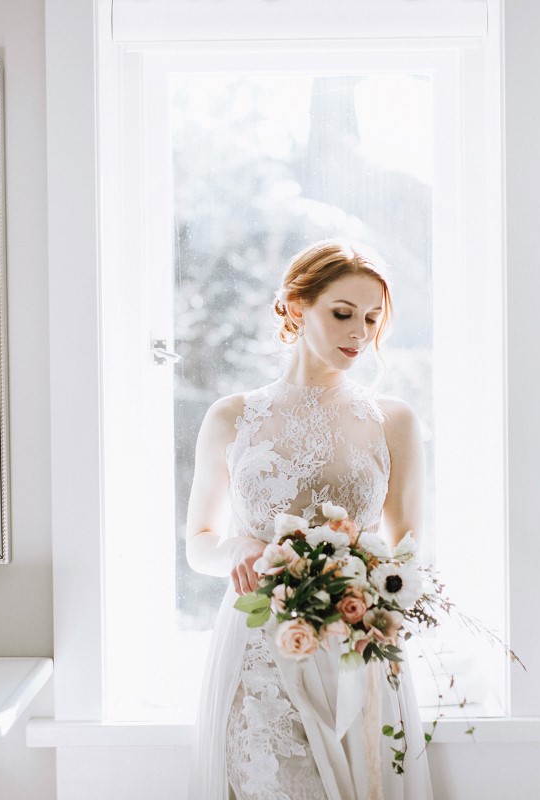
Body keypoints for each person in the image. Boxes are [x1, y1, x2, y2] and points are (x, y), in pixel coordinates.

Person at [187, 240, 434, 799]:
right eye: (342, 313)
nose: (359, 333)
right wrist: (233, 549)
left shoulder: (393, 420)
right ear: (296, 307)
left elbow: (409, 552)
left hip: (355, 644)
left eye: (371, 319)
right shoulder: (231, 416)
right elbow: (197, 542)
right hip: (257, 645)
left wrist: (370, 594)